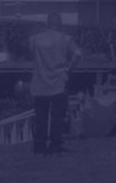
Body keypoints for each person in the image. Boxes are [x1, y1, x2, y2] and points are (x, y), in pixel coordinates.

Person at [27, 13, 83, 156]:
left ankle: (39, 147)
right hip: (58, 82)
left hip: (39, 83)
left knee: (40, 117)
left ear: (47, 23)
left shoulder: (34, 40)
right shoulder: (65, 39)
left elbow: (33, 55)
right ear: (59, 24)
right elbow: (78, 53)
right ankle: (55, 146)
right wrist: (69, 69)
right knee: (57, 116)